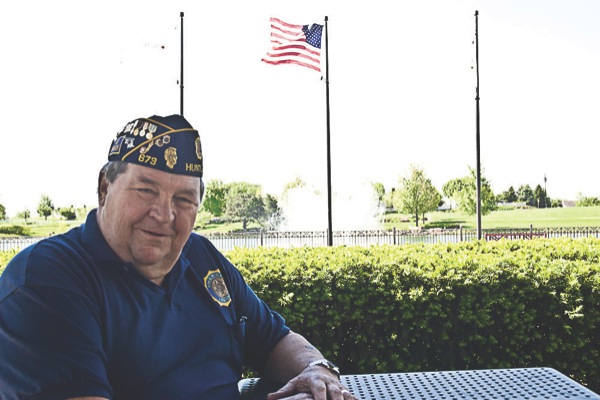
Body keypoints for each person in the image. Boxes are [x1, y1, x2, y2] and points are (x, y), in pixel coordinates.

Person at [0, 114, 357, 400]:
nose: (164, 213)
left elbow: (274, 338)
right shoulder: (46, 279)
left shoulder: (201, 257)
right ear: (105, 188)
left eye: (183, 200)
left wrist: (316, 369)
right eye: (146, 190)